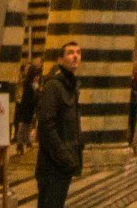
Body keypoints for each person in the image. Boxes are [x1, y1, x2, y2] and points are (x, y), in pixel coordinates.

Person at [35, 42, 84, 208]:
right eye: (70, 53)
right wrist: (64, 157)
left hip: (63, 165)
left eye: (78, 52)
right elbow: (46, 125)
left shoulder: (70, 86)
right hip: (52, 166)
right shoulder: (54, 86)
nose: (75, 56)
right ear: (60, 60)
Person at [13, 61, 41, 153]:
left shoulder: (32, 84)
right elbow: (29, 97)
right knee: (23, 126)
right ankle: (20, 144)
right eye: (36, 75)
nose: (38, 77)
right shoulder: (28, 84)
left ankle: (26, 142)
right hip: (26, 108)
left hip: (30, 108)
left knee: (27, 126)